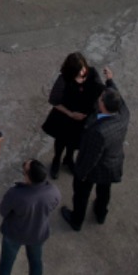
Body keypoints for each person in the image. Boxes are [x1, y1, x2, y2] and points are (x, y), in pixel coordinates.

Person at [0, 159, 61, 275]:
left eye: (24, 170)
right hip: (37, 234)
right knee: (36, 262)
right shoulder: (53, 191)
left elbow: (3, 211)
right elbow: (54, 205)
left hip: (14, 234)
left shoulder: (16, 194)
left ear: (28, 177)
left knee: (6, 263)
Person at [62, 78, 127, 232]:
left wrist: (81, 174)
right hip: (112, 164)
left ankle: (76, 220)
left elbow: (91, 157)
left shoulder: (99, 132)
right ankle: (100, 213)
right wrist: (111, 81)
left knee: (81, 195)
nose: (98, 98)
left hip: (94, 169)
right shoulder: (124, 114)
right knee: (104, 190)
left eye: (100, 98)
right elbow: (121, 100)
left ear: (102, 105)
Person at [41, 51, 103, 180]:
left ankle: (68, 159)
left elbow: (100, 91)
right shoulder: (63, 79)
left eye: (83, 69)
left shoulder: (92, 73)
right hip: (66, 116)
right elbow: (54, 101)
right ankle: (56, 160)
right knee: (61, 140)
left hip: (83, 118)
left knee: (75, 141)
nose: (82, 73)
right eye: (78, 71)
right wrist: (70, 114)